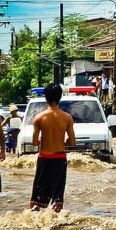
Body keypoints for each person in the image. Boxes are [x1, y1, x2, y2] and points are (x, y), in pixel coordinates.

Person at [30, 83, 76, 212]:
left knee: (38, 199)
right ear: (60, 97)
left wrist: (43, 139)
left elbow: (34, 142)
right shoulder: (67, 118)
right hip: (59, 158)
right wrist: (62, 141)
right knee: (57, 197)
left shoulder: (39, 117)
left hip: (44, 158)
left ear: (45, 98)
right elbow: (72, 142)